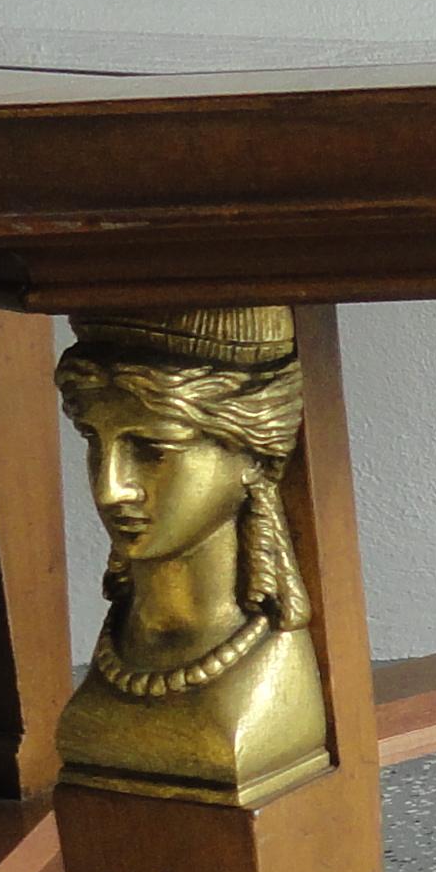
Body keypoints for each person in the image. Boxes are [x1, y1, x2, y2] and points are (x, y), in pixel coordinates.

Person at [52, 306, 334, 807]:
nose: (109, 488)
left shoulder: (261, 676)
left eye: (154, 449)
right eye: (95, 441)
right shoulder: (120, 649)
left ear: (254, 454)